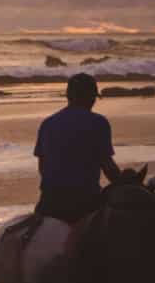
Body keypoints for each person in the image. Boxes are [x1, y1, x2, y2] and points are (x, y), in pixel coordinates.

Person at [32, 72, 119, 222]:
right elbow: (108, 166)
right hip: (85, 202)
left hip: (49, 202)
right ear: (91, 98)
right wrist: (125, 184)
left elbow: (43, 167)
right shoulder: (98, 123)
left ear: (68, 96)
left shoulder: (47, 124)